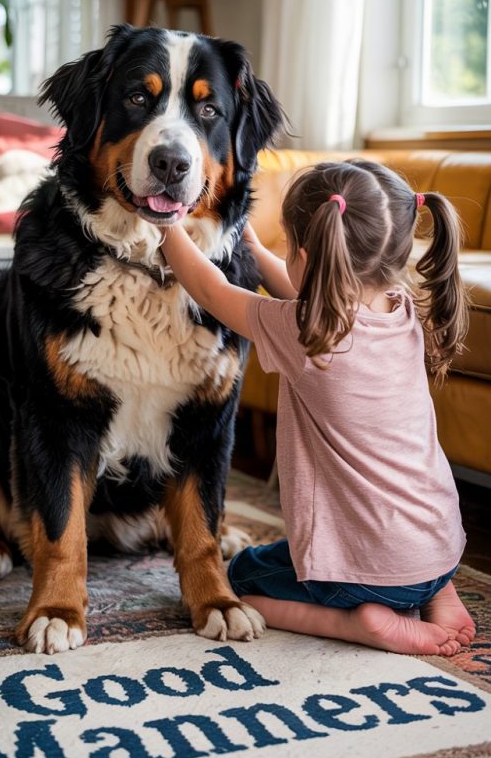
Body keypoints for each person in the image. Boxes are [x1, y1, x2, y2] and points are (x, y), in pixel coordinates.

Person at [160, 159, 476, 657]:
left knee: (241, 577)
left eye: (286, 246)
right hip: (440, 547)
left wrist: (165, 221)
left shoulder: (302, 334)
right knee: (401, 554)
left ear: (306, 254)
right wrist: (258, 250)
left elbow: (210, 290)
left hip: (366, 576)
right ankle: (439, 591)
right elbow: (318, 305)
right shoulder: (403, 309)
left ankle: (364, 625)